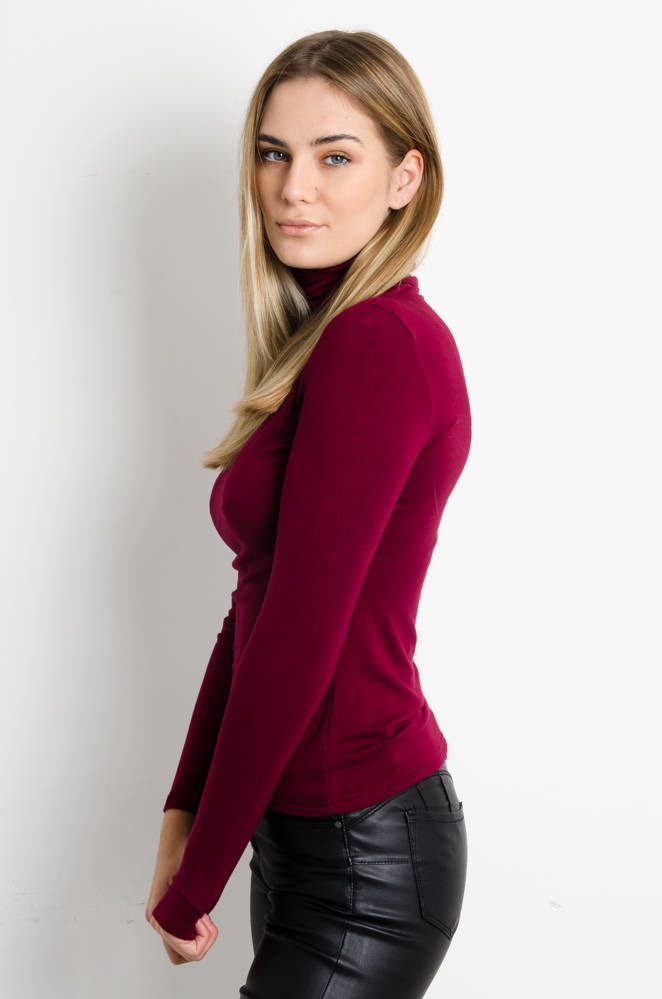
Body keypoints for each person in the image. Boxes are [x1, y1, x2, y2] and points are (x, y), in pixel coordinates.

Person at [146, 28, 472, 997]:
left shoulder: (378, 342)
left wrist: (196, 877)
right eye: (273, 153)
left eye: (335, 157)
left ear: (404, 178)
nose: (294, 188)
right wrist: (183, 816)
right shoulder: (329, 340)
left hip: (363, 852)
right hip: (306, 837)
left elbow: (297, 631)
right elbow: (255, 605)